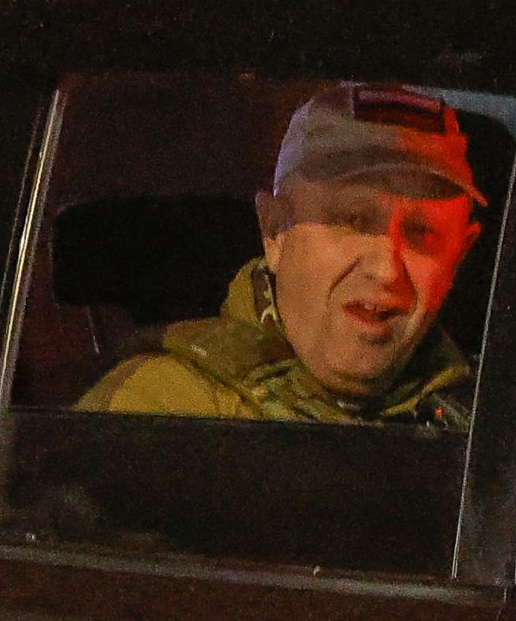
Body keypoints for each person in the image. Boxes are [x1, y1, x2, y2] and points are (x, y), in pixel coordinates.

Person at [82, 83, 483, 427]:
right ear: (274, 232)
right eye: (354, 220)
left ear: (460, 256)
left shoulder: (494, 431)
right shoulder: (160, 414)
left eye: (422, 232)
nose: (386, 269)